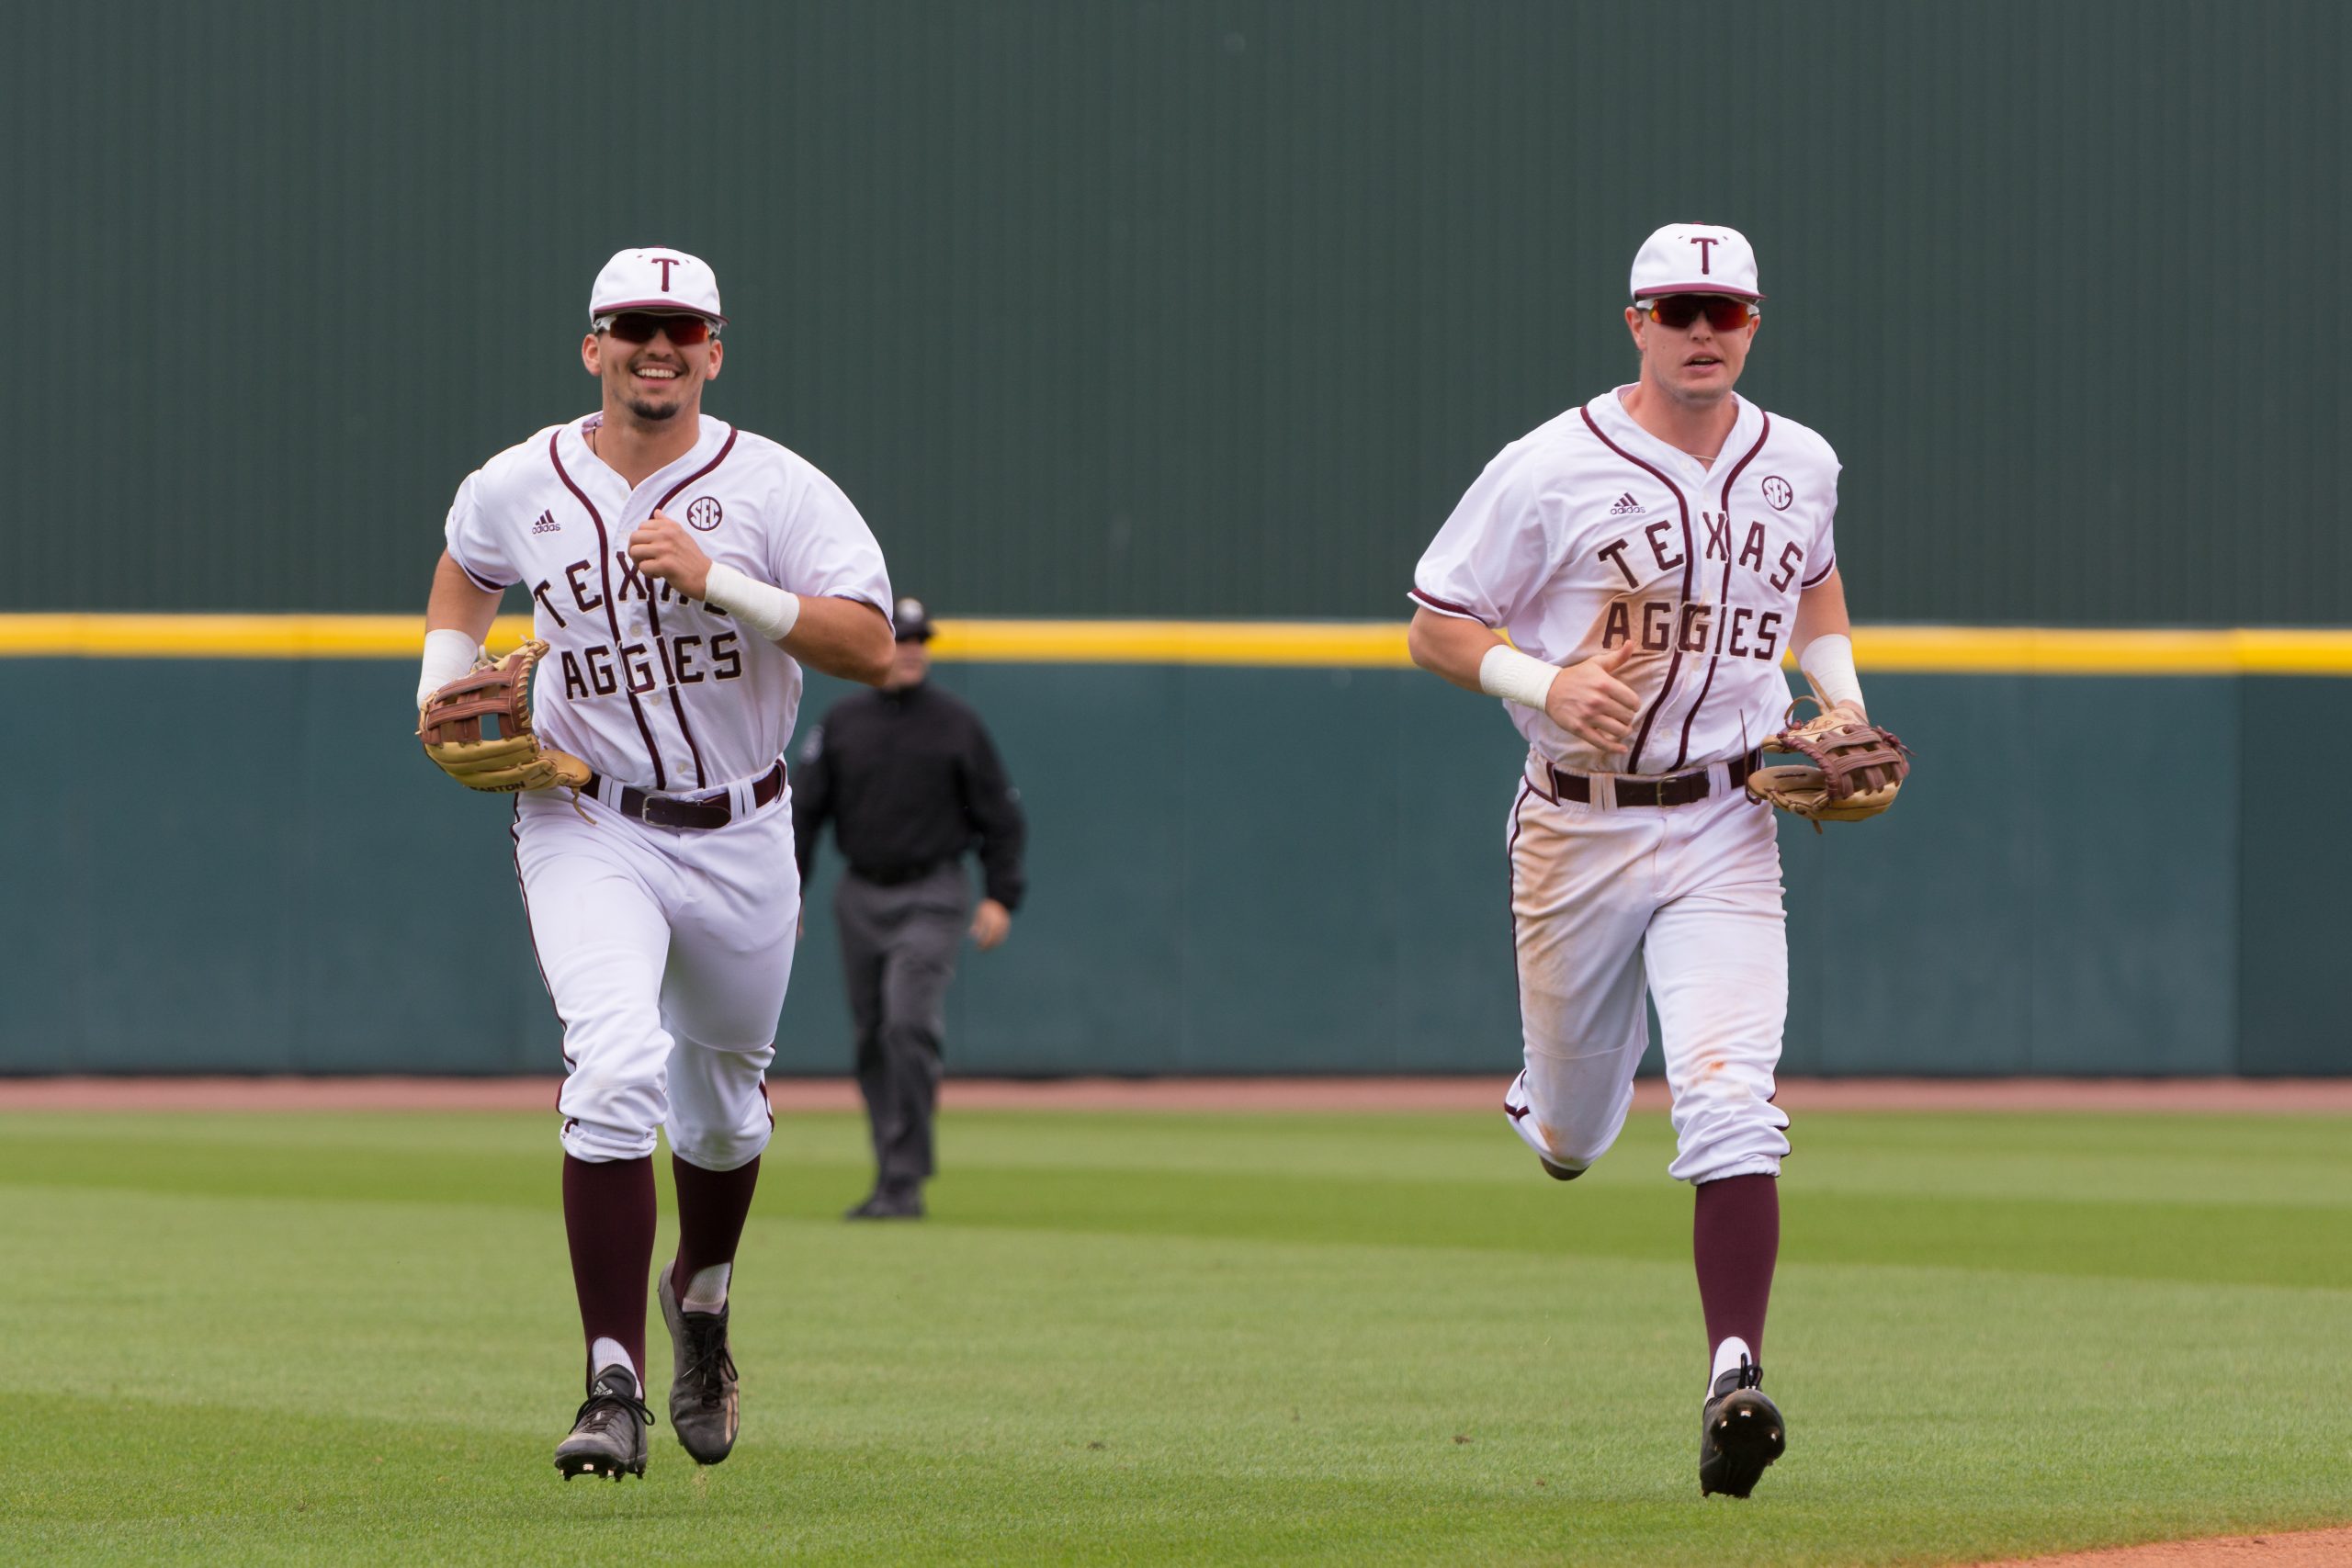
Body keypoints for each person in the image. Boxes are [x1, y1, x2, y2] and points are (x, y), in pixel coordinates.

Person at [1405, 223, 1877, 1499]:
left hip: (1730, 819)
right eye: (1679, 308)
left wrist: (1838, 701)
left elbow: (1815, 592)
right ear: (1636, 321)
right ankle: (1551, 1112)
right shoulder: (1549, 465)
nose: (1703, 331)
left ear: (1755, 322)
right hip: (1577, 820)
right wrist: (1542, 676)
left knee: (1733, 1097)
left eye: (1726, 310)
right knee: (1570, 1130)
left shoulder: (1803, 461)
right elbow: (1436, 625)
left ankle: (1736, 1372)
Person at [415, 247, 894, 1481]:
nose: (657, 348)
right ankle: (610, 1378)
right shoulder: (525, 479)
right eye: (635, 326)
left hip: (743, 825)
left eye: (682, 328)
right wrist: (433, 676)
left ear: (715, 349)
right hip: (589, 819)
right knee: (619, 1060)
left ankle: (707, 1299)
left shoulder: (777, 487)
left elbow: (868, 638)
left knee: (724, 1115)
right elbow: (468, 565)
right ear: (594, 345)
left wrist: (725, 580)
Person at [791, 596, 1027, 1220]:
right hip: (860, 893)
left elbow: (1001, 816)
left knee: (907, 1022)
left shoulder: (957, 723)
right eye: (900, 638)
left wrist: (1002, 893)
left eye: (920, 640)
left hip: (933, 892)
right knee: (872, 1035)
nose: (912, 649)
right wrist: (787, 891)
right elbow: (803, 816)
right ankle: (891, 1171)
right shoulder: (842, 722)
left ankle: (903, 1176)